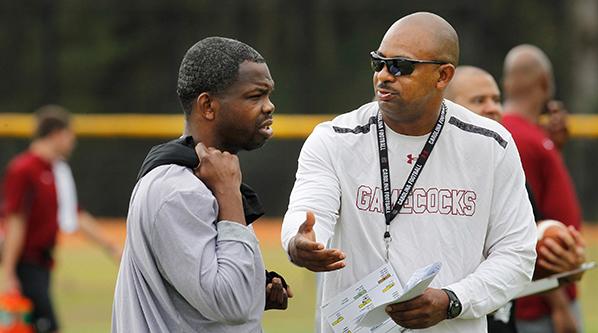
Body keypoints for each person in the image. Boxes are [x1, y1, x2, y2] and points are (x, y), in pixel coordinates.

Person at [281, 12, 537, 333]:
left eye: (401, 66)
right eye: (379, 63)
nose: (384, 76)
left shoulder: (490, 144)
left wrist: (451, 300)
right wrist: (299, 241)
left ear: (443, 76)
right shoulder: (334, 139)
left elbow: (517, 254)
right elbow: (308, 214)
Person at [112, 37, 292, 332]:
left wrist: (253, 290)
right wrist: (229, 195)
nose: (269, 106)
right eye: (255, 96)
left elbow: (210, 295)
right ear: (208, 106)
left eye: (269, 95)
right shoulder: (180, 191)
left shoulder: (200, 178)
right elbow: (230, 301)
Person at [445, 65, 586, 333]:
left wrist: (560, 265)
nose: (492, 108)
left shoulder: (507, 168)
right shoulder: (434, 175)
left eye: (496, 99)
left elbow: (519, 252)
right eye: (479, 100)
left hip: (502, 321)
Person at [1, 105, 121, 333]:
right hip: (26, 265)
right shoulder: (23, 169)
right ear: (56, 134)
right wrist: (9, 272)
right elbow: (15, 222)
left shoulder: (58, 170)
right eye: (69, 135)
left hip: (44, 265)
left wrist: (110, 246)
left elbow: (75, 215)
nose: (72, 143)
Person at [502, 44, 585, 333]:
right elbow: (527, 227)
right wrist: (560, 305)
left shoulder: (530, 133)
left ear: (507, 84)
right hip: (539, 302)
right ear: (545, 83)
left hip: (548, 291)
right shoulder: (517, 139)